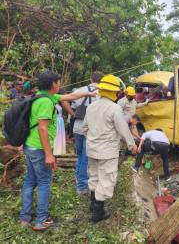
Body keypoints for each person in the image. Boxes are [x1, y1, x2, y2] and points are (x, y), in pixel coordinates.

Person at [19, 70, 96, 231]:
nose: (60, 85)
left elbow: (71, 97)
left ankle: (25, 217)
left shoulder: (42, 96)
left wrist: (93, 92)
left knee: (30, 180)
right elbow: (42, 129)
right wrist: (49, 154)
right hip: (39, 148)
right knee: (44, 182)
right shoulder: (46, 102)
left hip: (30, 146)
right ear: (53, 84)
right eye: (58, 82)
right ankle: (41, 220)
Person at [82, 75, 137, 223]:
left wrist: (94, 139)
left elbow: (84, 129)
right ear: (115, 92)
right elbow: (123, 129)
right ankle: (98, 213)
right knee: (106, 179)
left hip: (92, 149)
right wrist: (132, 145)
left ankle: (93, 205)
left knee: (93, 176)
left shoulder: (91, 107)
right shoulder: (114, 108)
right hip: (107, 151)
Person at [72, 71, 103, 194]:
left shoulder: (80, 90)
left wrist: (71, 113)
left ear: (91, 79)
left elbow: (66, 100)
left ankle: (79, 179)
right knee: (86, 157)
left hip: (78, 126)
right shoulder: (102, 93)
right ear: (102, 81)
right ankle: (82, 186)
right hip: (91, 129)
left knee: (80, 155)